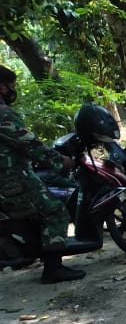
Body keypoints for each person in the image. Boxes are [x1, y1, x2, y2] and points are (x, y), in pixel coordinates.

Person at [0, 64, 85, 283]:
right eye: (11, 86)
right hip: (12, 180)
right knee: (55, 211)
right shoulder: (4, 115)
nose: (12, 91)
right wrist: (61, 161)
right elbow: (31, 146)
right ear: (2, 87)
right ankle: (53, 268)